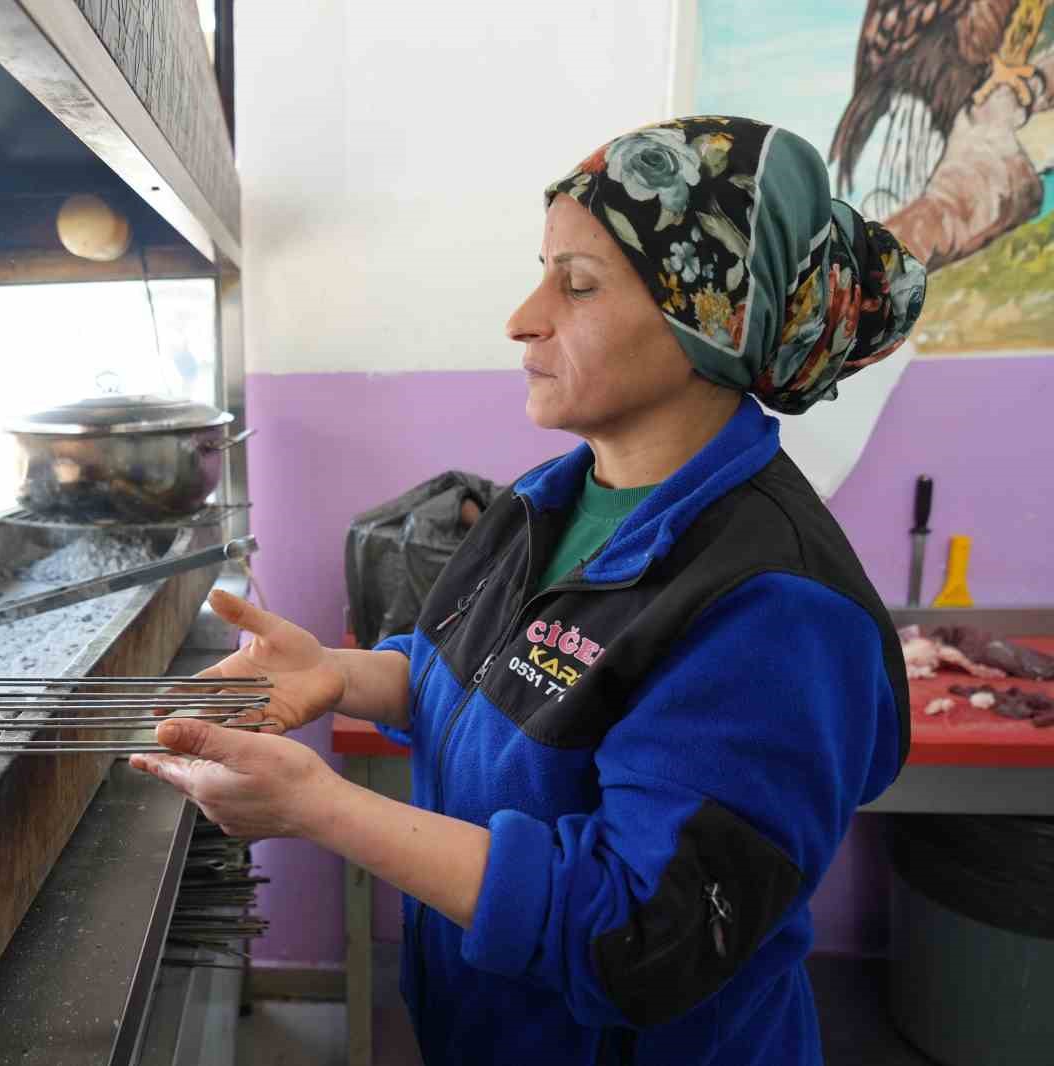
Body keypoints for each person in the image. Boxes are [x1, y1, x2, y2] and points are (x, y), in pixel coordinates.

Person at [130, 116, 927, 1066]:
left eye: (577, 285)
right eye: (542, 270)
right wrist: (339, 673)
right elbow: (473, 680)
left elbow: (642, 928)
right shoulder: (543, 505)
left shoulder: (777, 608)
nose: (523, 317)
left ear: (703, 319)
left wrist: (319, 806)